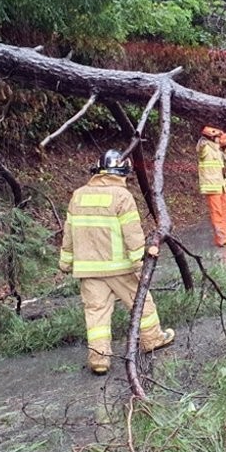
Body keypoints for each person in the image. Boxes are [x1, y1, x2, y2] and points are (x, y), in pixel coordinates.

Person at [59, 149, 175, 375]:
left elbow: (69, 233)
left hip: (89, 269)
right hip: (119, 267)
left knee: (96, 314)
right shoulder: (122, 197)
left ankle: (99, 359)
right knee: (141, 301)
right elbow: (132, 234)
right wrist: (139, 262)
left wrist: (66, 261)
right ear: (121, 173)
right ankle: (151, 339)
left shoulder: (79, 195)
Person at [197, 126, 226, 247]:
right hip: (211, 186)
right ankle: (221, 239)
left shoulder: (217, 150)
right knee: (217, 212)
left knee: (225, 210)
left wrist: (221, 132)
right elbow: (200, 147)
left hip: (220, 185)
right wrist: (207, 136)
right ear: (211, 137)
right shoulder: (205, 146)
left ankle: (225, 236)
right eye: (217, 137)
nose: (219, 139)